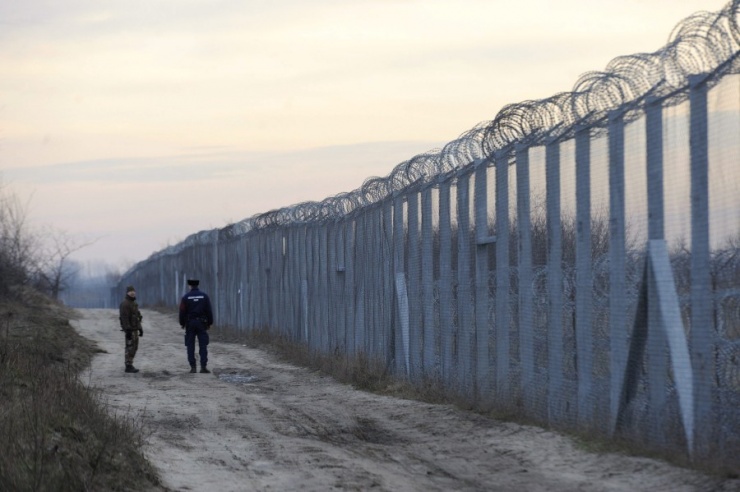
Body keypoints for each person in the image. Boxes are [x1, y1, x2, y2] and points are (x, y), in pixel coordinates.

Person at [179, 279, 214, 373]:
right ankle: (203, 367)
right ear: (197, 285)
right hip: (202, 323)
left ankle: (193, 367)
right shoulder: (204, 296)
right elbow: (209, 310)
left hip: (190, 323)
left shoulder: (185, 297)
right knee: (203, 345)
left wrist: (182, 323)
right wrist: (210, 322)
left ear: (189, 286)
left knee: (190, 345)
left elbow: (182, 311)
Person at [119, 285, 143, 373]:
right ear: (127, 293)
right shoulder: (125, 304)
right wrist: (127, 330)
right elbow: (124, 318)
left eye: (133, 291)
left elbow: (137, 317)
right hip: (130, 330)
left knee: (135, 347)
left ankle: (130, 363)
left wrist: (140, 328)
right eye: (130, 291)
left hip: (135, 329)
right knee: (130, 347)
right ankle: (128, 365)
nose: (132, 293)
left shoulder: (134, 304)